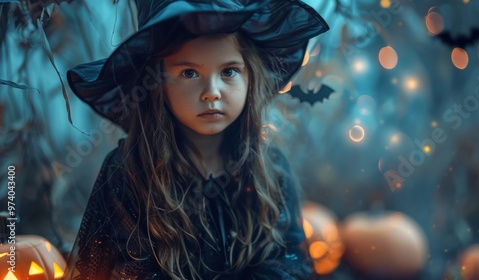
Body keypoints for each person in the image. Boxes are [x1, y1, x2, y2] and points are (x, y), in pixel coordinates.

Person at [64, 0, 329, 279]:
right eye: (189, 73)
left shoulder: (271, 168)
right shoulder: (128, 172)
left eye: (229, 71)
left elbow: (290, 261)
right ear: (158, 84)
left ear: (251, 77)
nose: (211, 92)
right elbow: (122, 271)